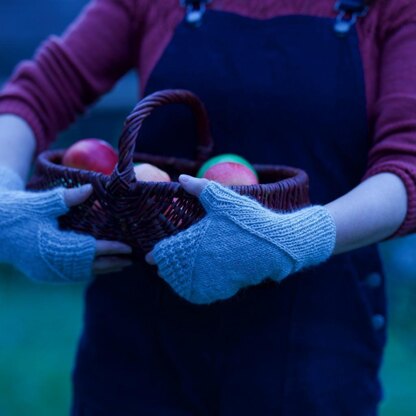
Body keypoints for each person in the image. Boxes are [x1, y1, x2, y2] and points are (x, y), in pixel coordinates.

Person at [1, 0, 416, 414]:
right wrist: (4, 201)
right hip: (138, 347)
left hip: (312, 343)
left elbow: (406, 166)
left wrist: (298, 237)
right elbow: (37, 94)